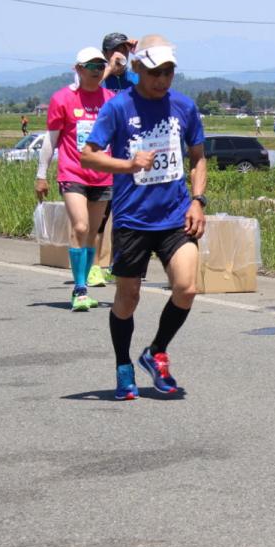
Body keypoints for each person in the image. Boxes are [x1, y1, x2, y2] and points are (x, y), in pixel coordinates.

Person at [80, 35, 208, 401]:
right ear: (137, 69)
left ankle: (156, 352)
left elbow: (198, 158)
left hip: (175, 216)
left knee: (186, 288)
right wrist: (126, 164)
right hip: (133, 219)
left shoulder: (184, 107)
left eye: (169, 72)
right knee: (128, 297)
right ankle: (123, 364)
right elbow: (88, 155)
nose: (162, 80)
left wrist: (197, 201)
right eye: (155, 72)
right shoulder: (119, 108)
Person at [36, 47, 117, 312]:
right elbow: (51, 140)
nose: (96, 72)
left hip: (103, 175)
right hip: (72, 172)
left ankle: (85, 283)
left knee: (93, 233)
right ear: (78, 69)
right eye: (90, 67)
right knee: (80, 227)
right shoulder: (63, 99)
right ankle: (79, 288)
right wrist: (41, 174)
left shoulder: (111, 99)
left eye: (100, 67)